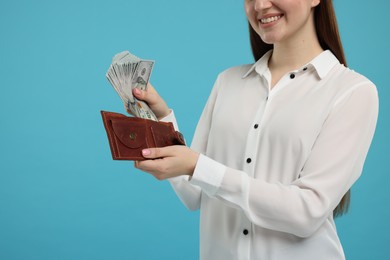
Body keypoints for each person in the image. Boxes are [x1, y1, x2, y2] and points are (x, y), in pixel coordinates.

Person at [131, 0, 378, 259]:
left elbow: (307, 211)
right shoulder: (227, 82)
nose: (260, 5)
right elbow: (194, 193)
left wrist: (199, 167)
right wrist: (160, 119)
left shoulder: (353, 92)